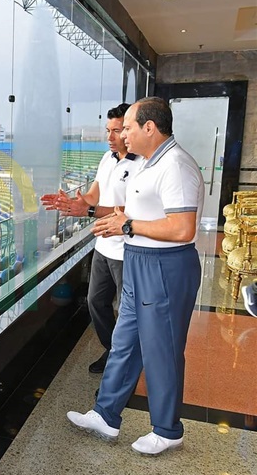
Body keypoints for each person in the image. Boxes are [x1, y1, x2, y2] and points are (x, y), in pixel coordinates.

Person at [67, 96, 204, 456]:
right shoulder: (147, 163)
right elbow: (137, 209)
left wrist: (128, 224)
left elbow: (181, 228)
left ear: (149, 127)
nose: (122, 133)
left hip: (165, 265)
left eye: (127, 126)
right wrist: (100, 212)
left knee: (161, 348)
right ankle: (106, 414)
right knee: (125, 342)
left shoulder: (175, 165)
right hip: (141, 260)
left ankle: (167, 429)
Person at [41, 103, 143, 373]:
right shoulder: (108, 158)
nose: (109, 137)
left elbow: (132, 211)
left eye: (117, 130)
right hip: (104, 245)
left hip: (128, 249)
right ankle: (112, 351)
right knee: (95, 301)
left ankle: (123, 365)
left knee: (125, 311)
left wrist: (87, 210)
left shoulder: (142, 163)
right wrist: (73, 203)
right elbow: (94, 195)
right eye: (107, 130)